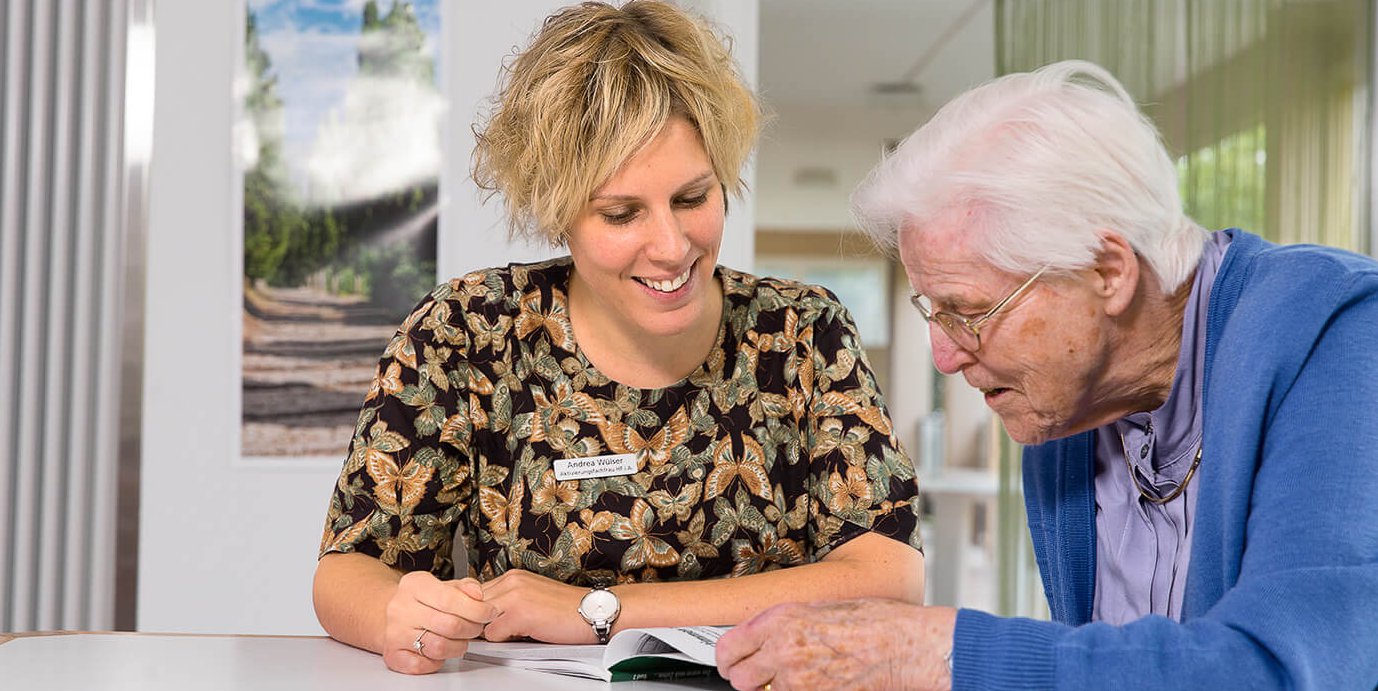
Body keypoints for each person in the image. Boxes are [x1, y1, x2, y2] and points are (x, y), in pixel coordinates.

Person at [716, 59, 1378, 690]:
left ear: (1107, 270)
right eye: (934, 312)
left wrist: (933, 652)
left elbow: (1283, 672)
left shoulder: (1340, 333)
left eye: (970, 311)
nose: (946, 357)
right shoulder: (1068, 411)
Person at [312, 0, 925, 676]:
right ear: (556, 210)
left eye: (693, 198)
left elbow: (886, 574)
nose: (671, 246)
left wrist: (598, 609)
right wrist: (405, 612)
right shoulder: (466, 334)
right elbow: (348, 573)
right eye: (621, 212)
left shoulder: (803, 334)